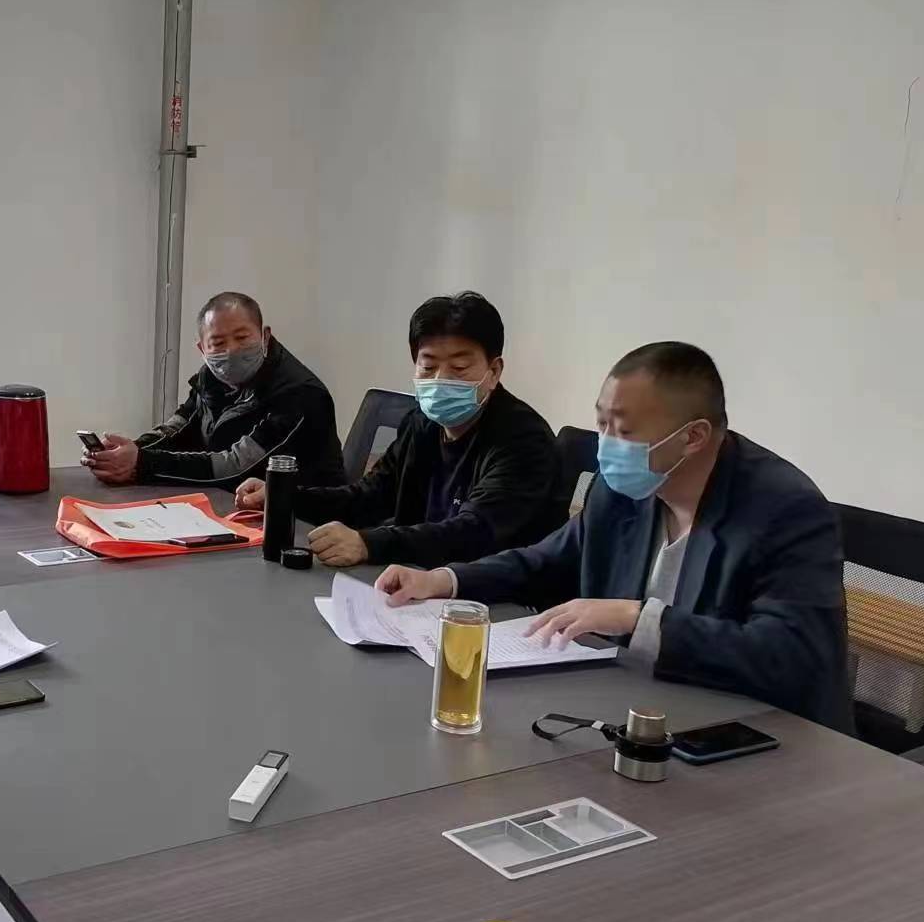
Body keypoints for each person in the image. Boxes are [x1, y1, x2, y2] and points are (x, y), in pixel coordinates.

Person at [375, 342, 851, 733]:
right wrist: (443, 580)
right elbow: (547, 560)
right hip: (637, 710)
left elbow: (791, 656)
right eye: (601, 422)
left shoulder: (784, 509)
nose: (605, 444)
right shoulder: (623, 489)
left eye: (622, 429)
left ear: (693, 437)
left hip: (759, 737)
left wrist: (637, 618)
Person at [234, 291, 560, 568]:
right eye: (428, 366)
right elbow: (369, 497)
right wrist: (284, 497)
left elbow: (474, 532)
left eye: (459, 367)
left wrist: (369, 544)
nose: (441, 379)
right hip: (414, 583)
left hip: (494, 602)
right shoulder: (422, 423)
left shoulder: (523, 439)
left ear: (494, 371)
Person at [82, 291, 344, 488]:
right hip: (230, 506)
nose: (231, 351)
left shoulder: (299, 393)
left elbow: (237, 466)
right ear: (202, 349)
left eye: (242, 338)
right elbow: (178, 429)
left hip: (303, 520)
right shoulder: (209, 379)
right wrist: (124, 452)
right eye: (218, 343)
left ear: (264, 336)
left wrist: (141, 463)